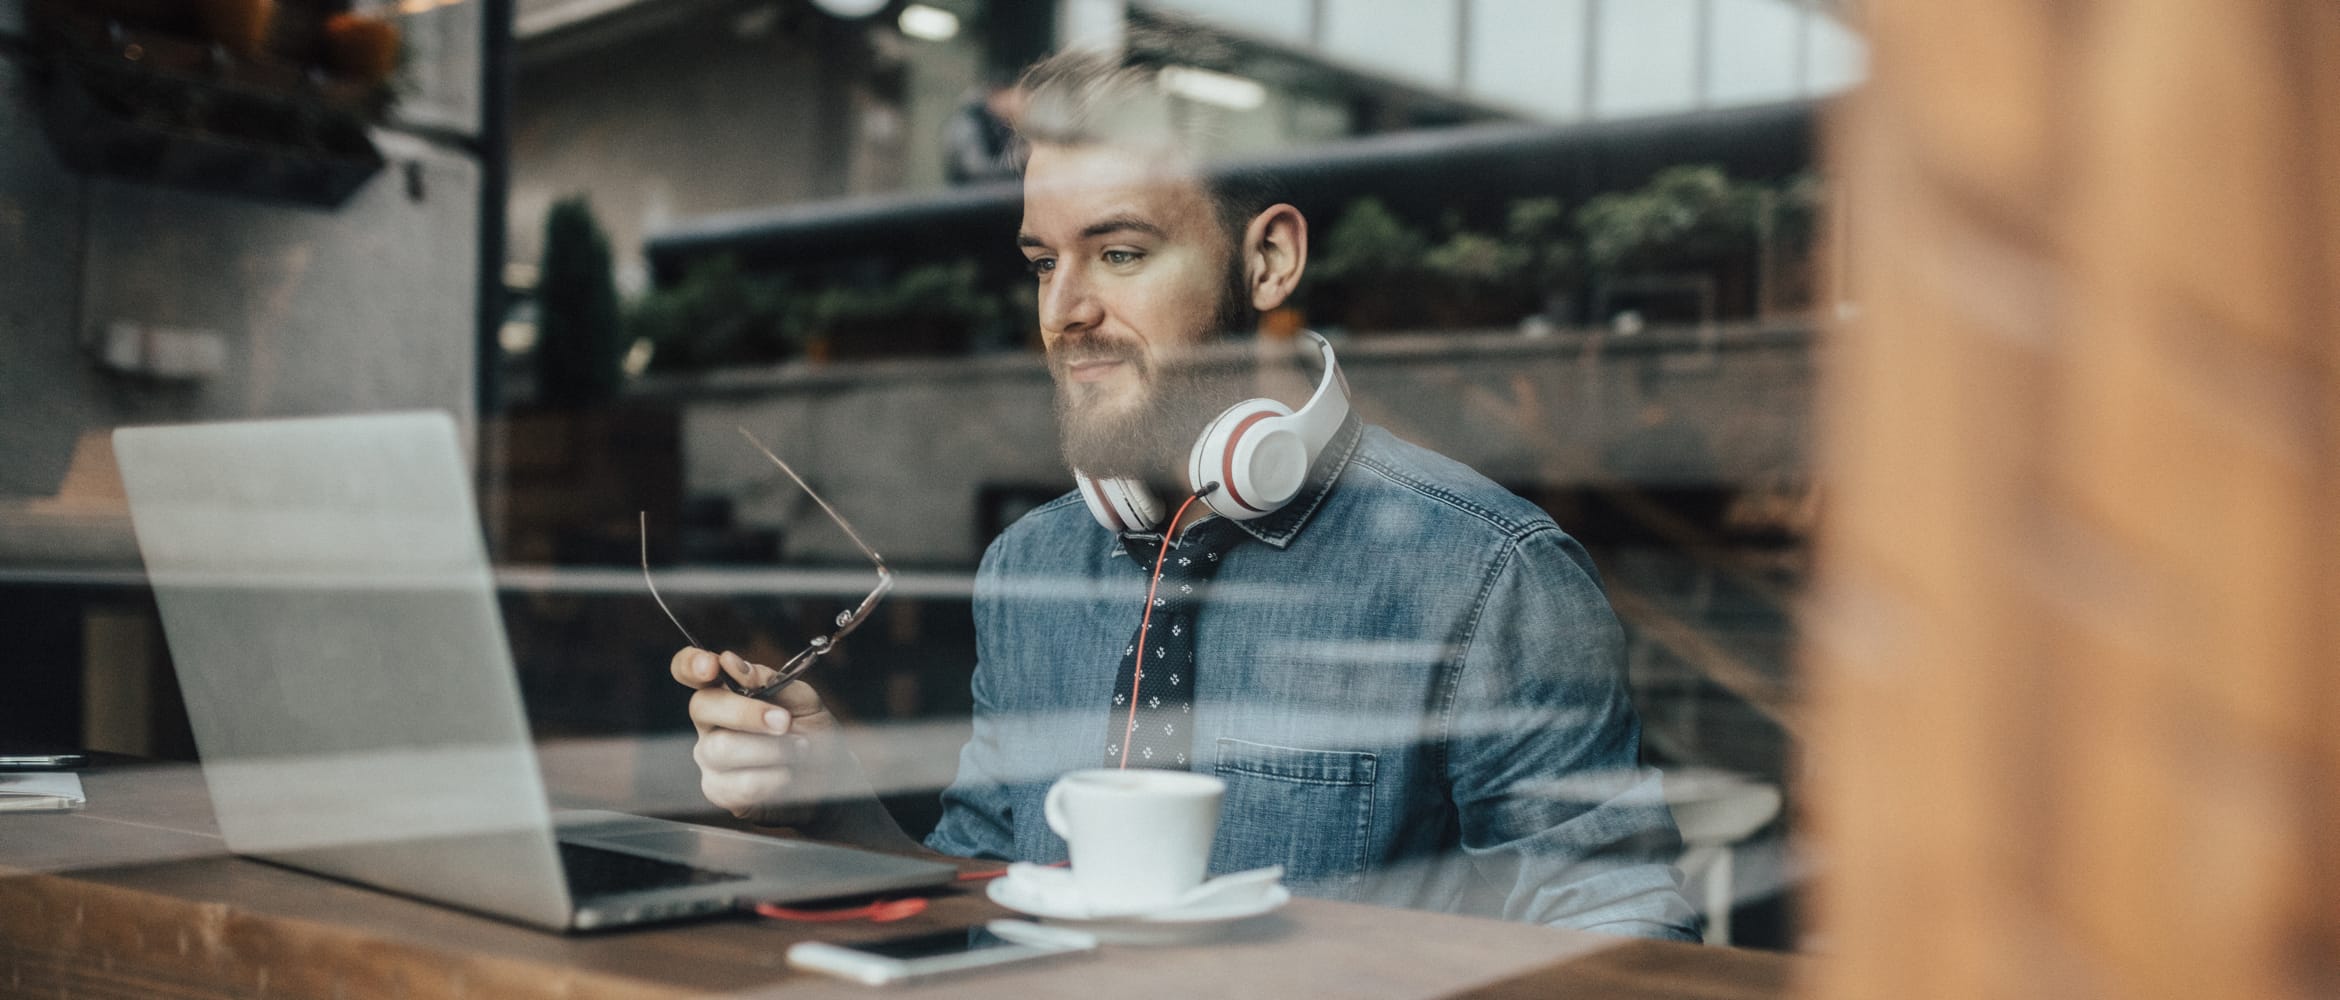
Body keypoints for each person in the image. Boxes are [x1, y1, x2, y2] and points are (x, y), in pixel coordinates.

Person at [673, 45, 1699, 941]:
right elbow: (984, 885)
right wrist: (830, 807)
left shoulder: (1487, 572)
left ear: (1268, 259)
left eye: (1119, 253)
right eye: (1042, 263)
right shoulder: (1029, 564)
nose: (1065, 310)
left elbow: (1622, 939)